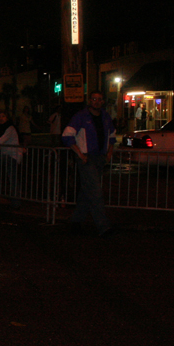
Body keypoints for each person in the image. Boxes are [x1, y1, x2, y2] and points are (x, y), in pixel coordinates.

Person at [62, 91, 116, 237]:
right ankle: (103, 227)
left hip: (99, 158)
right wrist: (79, 154)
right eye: (94, 99)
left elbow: (112, 136)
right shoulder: (81, 116)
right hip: (86, 159)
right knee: (96, 192)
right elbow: (67, 135)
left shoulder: (105, 117)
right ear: (89, 101)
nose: (97, 102)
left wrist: (109, 153)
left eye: (99, 99)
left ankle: (75, 220)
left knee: (87, 191)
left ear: (103, 101)